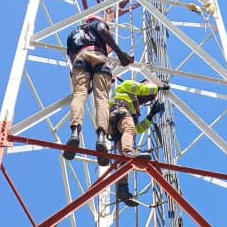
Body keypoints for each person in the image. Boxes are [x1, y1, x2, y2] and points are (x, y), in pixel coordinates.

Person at [63, 15, 134, 161]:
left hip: (79, 61)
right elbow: (102, 30)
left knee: (79, 95)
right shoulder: (97, 25)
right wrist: (120, 55)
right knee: (101, 98)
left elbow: (70, 57)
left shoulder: (72, 34)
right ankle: (101, 137)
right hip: (99, 57)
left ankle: (75, 133)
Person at [108, 78, 169, 206]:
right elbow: (143, 89)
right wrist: (159, 87)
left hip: (115, 128)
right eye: (148, 97)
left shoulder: (134, 107)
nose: (147, 99)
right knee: (129, 133)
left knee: (124, 160)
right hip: (119, 113)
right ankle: (128, 152)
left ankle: (122, 189)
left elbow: (139, 129)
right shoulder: (128, 85)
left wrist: (151, 115)